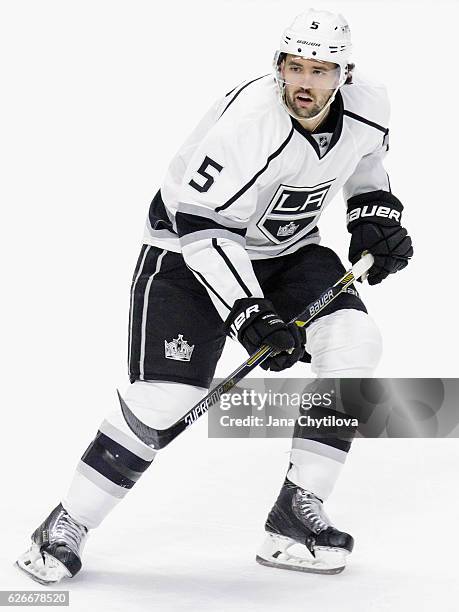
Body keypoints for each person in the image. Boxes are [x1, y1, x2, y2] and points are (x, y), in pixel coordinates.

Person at [16, 8, 413, 583]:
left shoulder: (371, 104)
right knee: (164, 402)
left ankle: (296, 516)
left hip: (287, 252)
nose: (304, 82)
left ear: (344, 74)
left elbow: (366, 165)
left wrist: (373, 215)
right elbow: (201, 228)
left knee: (356, 344)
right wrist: (248, 315)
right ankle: (66, 521)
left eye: (321, 70)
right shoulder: (248, 124)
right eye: (294, 66)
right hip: (185, 255)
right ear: (277, 65)